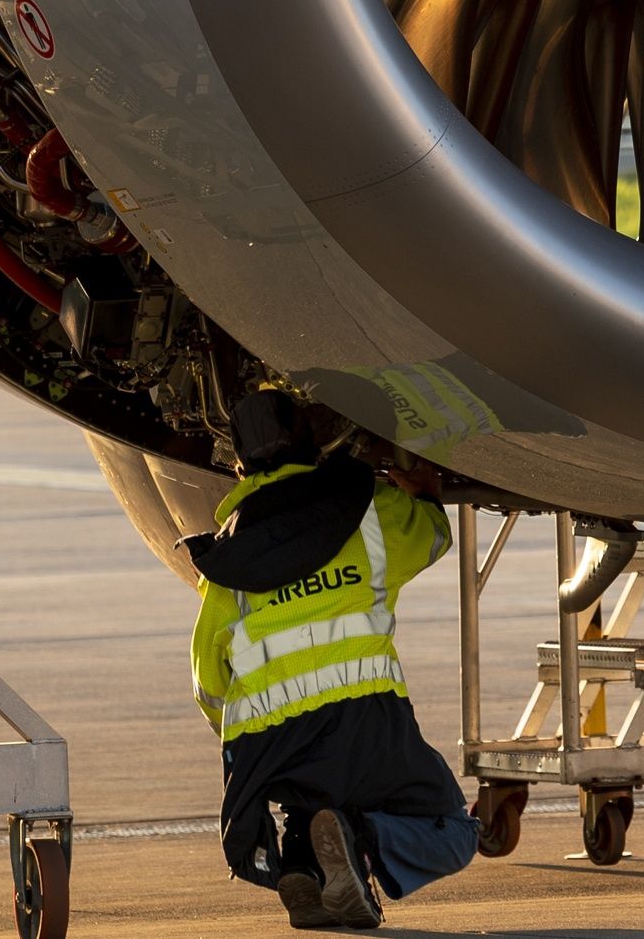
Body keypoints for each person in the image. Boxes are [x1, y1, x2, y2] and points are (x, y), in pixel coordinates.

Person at [187, 391, 482, 929]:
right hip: (364, 721)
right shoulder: (371, 517)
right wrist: (425, 494)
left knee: (310, 794)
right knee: (454, 832)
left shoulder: (227, 567)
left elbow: (209, 681)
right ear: (317, 445)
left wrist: (240, 738)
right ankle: (362, 845)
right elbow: (435, 537)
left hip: (269, 745)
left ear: (238, 467)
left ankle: (302, 862)